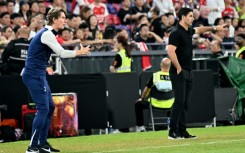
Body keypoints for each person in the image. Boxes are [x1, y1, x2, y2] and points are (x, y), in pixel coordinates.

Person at [22, 8, 90, 153]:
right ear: (54, 19)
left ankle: (42, 144)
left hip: (38, 74)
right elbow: (62, 53)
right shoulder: (46, 34)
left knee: (50, 107)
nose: (65, 20)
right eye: (63, 18)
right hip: (34, 75)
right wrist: (79, 52)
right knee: (44, 108)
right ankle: (32, 147)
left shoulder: (48, 34)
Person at [167, 7, 226, 140]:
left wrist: (215, 28)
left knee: (185, 103)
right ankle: (172, 131)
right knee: (179, 101)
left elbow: (199, 30)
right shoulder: (176, 32)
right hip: (179, 71)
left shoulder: (188, 31)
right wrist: (178, 67)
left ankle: (182, 131)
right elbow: (170, 51)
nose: (193, 18)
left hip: (188, 71)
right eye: (190, 16)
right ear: (182, 17)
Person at [135, 57, 174, 132]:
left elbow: (146, 89)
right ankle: (171, 123)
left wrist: (142, 98)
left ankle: (140, 127)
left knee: (138, 104)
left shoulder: (155, 76)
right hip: (170, 105)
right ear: (170, 66)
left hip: (154, 104)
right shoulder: (174, 76)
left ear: (160, 65)